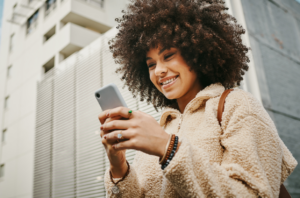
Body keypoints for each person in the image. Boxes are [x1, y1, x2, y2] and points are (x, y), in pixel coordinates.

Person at [98, 0, 297, 197]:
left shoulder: (237, 105)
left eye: (168, 55)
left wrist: (167, 148)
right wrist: (119, 166)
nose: (158, 70)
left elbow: (254, 193)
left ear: (197, 53)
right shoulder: (161, 129)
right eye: (151, 65)